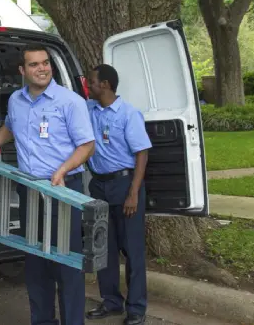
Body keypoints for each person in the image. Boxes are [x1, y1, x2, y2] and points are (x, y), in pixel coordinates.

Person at [0, 44, 95, 325]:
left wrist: (63, 169)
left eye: (45, 63)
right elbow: (9, 127)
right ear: (22, 70)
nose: (42, 68)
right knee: (36, 263)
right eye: (34, 64)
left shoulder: (69, 101)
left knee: (66, 263)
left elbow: (87, 145)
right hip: (29, 189)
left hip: (63, 190)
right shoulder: (16, 100)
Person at [84, 64, 151, 325]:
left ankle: (136, 308)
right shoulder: (88, 110)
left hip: (125, 185)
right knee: (104, 248)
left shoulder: (128, 114)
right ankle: (111, 302)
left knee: (132, 250)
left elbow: (142, 153)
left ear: (106, 85)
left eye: (91, 82)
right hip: (99, 186)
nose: (87, 86)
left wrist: (133, 193)